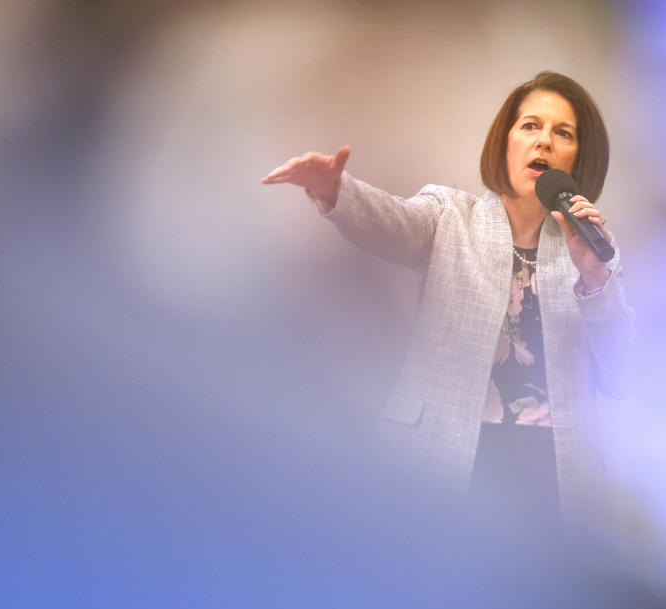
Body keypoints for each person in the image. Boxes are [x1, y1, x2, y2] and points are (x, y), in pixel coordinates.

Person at [262, 71, 635, 525]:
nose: (543, 142)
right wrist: (334, 189)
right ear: (506, 141)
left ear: (580, 158)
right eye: (530, 126)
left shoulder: (594, 251)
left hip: (553, 474)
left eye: (563, 133)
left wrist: (596, 280)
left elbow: (623, 375)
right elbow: (389, 222)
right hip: (449, 451)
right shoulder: (450, 215)